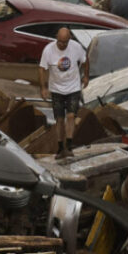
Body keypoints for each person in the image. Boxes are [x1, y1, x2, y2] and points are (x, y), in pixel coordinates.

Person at [39, 27, 89, 158]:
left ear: (69, 40)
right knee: (59, 119)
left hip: (73, 87)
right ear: (56, 38)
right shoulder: (48, 50)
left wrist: (86, 76)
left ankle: (69, 144)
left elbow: (85, 60)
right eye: (60, 42)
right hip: (56, 89)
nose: (62, 45)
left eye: (65, 42)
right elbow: (42, 68)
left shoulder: (76, 47)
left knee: (71, 116)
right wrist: (43, 88)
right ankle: (60, 147)